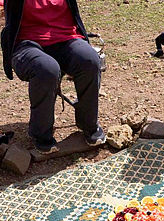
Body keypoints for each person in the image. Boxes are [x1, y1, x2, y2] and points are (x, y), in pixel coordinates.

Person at [1, 0, 106, 154]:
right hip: (26, 43)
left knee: (90, 61)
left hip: (66, 38)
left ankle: (89, 124)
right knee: (47, 68)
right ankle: (41, 134)